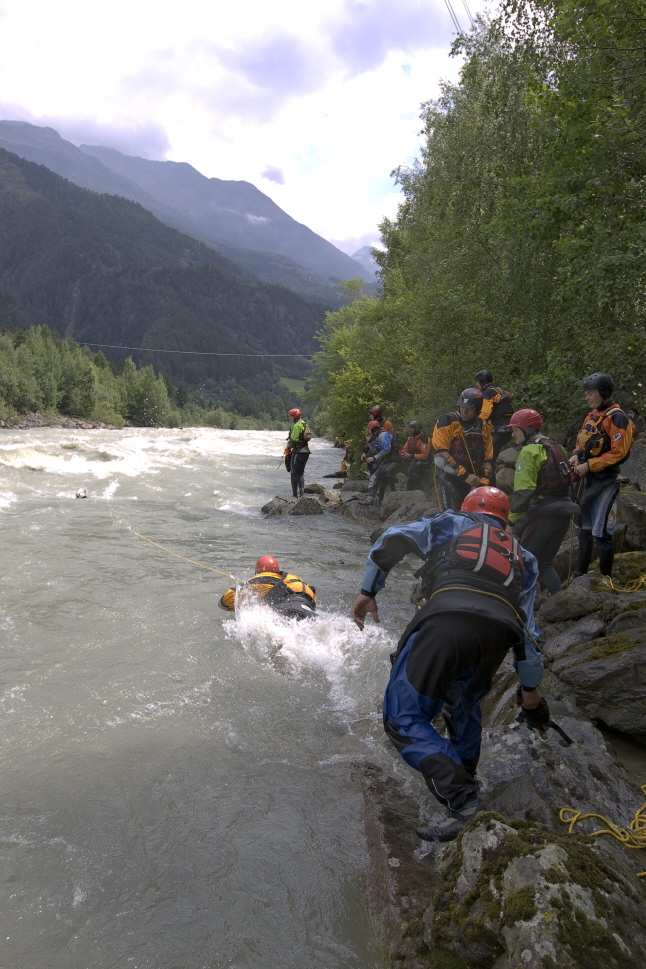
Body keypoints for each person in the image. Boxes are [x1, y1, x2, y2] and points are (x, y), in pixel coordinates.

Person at [350, 487, 545, 842]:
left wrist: (369, 591)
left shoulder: (451, 523)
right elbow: (530, 634)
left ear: (468, 509)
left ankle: (465, 803)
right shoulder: (525, 559)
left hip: (446, 619)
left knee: (402, 717)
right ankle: (466, 775)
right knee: (464, 701)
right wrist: (529, 692)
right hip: (500, 634)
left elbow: (391, 540)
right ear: (505, 520)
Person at [507, 409, 579, 595]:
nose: (512, 433)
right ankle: (560, 601)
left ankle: (517, 605)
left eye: (515, 429)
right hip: (564, 514)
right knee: (544, 562)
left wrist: (511, 523)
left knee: (520, 561)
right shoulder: (557, 447)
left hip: (544, 515)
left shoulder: (529, 451)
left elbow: (523, 493)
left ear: (527, 429)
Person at [570, 372, 635, 578]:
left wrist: (589, 465)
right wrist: (576, 455)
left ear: (603, 393)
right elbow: (582, 442)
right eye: (586, 394)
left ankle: (605, 580)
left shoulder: (617, 417)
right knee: (584, 529)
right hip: (588, 480)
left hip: (606, 481)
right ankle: (580, 575)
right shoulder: (591, 416)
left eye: (591, 394)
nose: (587, 398)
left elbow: (619, 452)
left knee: (602, 533)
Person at [432, 388, 493, 511]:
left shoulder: (484, 427)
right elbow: (439, 457)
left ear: (477, 409)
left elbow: (488, 460)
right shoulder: (447, 421)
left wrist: (483, 482)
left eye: (469, 408)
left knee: (474, 519)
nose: (464, 412)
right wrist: (465, 475)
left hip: (473, 480)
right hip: (450, 477)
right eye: (461, 407)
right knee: (450, 517)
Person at [219, 556, 317, 620]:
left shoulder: (265, 577)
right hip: (311, 615)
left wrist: (242, 588)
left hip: (288, 610)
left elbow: (224, 603)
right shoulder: (294, 580)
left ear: (259, 572)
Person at [475, 369, 514, 460]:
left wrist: (476, 424)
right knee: (493, 454)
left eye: (477, 382)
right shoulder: (502, 391)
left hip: (497, 430)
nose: (476, 385)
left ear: (482, 381)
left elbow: (486, 412)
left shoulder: (487, 393)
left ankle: (488, 472)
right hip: (509, 429)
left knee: (487, 457)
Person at [361, 419, 397, 506]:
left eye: (370, 429)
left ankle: (371, 500)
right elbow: (375, 450)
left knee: (375, 477)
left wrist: (374, 458)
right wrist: (369, 441)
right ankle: (382, 502)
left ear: (374, 429)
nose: (368, 431)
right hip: (388, 461)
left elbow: (386, 450)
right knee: (382, 480)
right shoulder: (378, 436)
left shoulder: (383, 435)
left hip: (393, 460)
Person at [285, 407, 311, 499]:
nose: (289, 418)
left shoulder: (296, 425)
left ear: (294, 416)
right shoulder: (304, 424)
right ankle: (302, 495)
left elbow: (294, 439)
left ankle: (295, 496)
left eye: (290, 416)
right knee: (300, 473)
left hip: (298, 451)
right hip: (306, 452)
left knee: (294, 473)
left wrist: (288, 446)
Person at [400, 420, 432, 492]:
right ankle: (410, 484)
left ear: (416, 428)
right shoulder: (410, 439)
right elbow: (404, 449)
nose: (409, 429)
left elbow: (425, 456)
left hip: (425, 461)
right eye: (409, 428)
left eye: (411, 428)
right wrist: (403, 454)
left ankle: (415, 487)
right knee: (403, 458)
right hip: (415, 459)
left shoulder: (423, 439)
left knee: (414, 465)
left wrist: (410, 456)